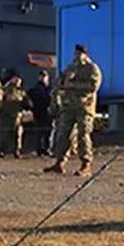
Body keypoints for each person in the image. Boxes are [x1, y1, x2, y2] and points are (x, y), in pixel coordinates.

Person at [44, 44, 101, 176]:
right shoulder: (70, 68)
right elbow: (60, 83)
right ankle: (59, 162)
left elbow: (93, 86)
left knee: (83, 135)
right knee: (63, 134)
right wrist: (60, 86)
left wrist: (73, 85)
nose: (76, 56)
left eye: (79, 54)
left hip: (84, 108)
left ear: (85, 55)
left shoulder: (91, 68)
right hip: (68, 106)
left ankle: (86, 164)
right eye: (75, 54)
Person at [0, 73, 28, 158]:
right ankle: (0, 150)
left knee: (18, 134)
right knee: (4, 133)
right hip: (6, 115)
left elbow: (26, 102)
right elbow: (1, 100)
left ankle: (17, 151)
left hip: (17, 116)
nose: (18, 81)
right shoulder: (7, 89)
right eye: (16, 79)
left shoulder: (21, 91)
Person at [26, 69, 54, 157]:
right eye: (42, 76)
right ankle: (40, 149)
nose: (43, 78)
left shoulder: (49, 89)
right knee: (40, 133)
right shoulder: (36, 89)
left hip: (47, 113)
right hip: (40, 113)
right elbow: (29, 100)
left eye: (45, 76)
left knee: (47, 133)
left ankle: (46, 149)